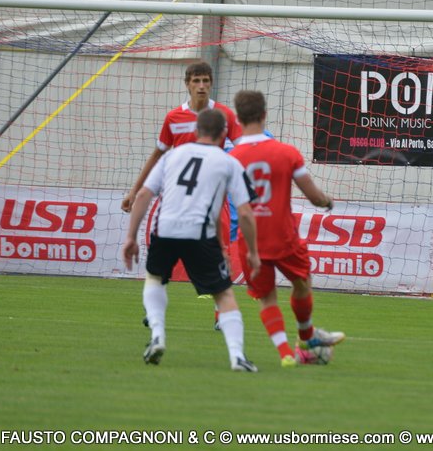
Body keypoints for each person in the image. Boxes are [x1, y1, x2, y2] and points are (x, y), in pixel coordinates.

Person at [122, 108, 262, 372]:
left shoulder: (172, 156)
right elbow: (244, 212)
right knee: (223, 294)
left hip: (165, 228)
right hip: (199, 233)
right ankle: (237, 357)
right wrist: (252, 251)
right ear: (224, 133)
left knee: (155, 279)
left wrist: (131, 237)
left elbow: (143, 195)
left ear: (196, 131)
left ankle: (157, 335)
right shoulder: (229, 162)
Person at [228, 90, 345, 368]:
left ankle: (286, 354)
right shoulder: (287, 153)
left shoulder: (231, 158)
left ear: (238, 119)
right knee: (302, 283)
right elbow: (314, 197)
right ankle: (305, 338)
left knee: (267, 297)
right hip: (283, 237)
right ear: (264, 115)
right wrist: (327, 202)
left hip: (251, 241)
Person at [122, 63, 240, 329]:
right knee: (162, 254)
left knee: (220, 253)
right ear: (187, 84)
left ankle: (221, 314)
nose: (201, 86)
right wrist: (134, 191)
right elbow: (157, 155)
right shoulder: (174, 118)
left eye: (205, 81)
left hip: (212, 198)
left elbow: (243, 149)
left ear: (211, 83)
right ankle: (154, 310)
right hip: (177, 199)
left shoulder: (224, 115)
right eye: (196, 81)